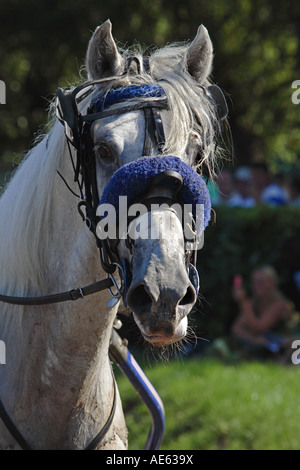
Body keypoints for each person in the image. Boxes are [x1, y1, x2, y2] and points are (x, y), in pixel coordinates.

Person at [231, 266, 294, 355]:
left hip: (282, 350)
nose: (257, 286)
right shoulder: (253, 303)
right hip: (261, 347)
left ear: (272, 283)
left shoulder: (281, 304)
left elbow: (259, 328)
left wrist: (243, 302)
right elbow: (236, 328)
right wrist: (255, 340)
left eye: (261, 282)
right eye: (254, 282)